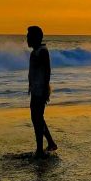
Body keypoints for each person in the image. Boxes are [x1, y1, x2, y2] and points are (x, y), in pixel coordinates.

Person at [27, 26, 57, 158]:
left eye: (29, 36)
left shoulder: (42, 51)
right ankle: (50, 143)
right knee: (37, 117)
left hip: (41, 89)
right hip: (35, 89)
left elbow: (47, 71)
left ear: (37, 37)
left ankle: (40, 149)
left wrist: (45, 89)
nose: (27, 38)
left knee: (37, 117)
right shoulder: (34, 52)